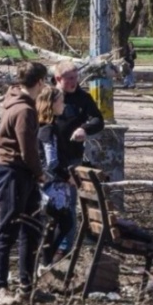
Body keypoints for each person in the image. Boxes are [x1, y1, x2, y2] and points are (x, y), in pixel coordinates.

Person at [0, 61, 50, 305]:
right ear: (39, 82)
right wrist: (40, 174)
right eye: (44, 81)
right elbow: (28, 151)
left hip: (20, 173)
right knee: (8, 230)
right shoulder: (24, 110)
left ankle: (27, 286)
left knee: (31, 229)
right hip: (13, 173)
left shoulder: (17, 102)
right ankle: (0, 288)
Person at [51, 61, 105, 257]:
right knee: (49, 206)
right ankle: (46, 248)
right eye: (70, 79)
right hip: (50, 158)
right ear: (58, 79)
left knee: (69, 206)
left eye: (76, 77)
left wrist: (84, 129)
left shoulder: (82, 98)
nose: (74, 82)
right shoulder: (48, 96)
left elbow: (98, 120)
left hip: (73, 159)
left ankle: (63, 250)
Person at [35, 84, 74, 269]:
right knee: (63, 222)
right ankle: (46, 261)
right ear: (51, 104)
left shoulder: (41, 127)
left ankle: (46, 261)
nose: (64, 105)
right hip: (52, 187)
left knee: (54, 224)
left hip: (47, 184)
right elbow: (51, 161)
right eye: (61, 101)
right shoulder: (48, 129)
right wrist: (66, 176)